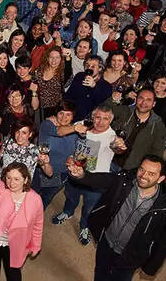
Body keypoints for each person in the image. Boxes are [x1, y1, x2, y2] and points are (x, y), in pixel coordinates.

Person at [66, 155, 166, 281]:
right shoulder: (124, 180)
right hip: (106, 242)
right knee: (99, 273)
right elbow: (102, 180)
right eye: (142, 169)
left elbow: (165, 241)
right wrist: (82, 175)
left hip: (130, 257)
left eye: (151, 174)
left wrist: (151, 268)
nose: (143, 176)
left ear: (160, 179)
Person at [52, 105, 117, 245]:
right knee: (70, 197)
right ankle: (68, 212)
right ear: (92, 117)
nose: (100, 122)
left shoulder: (112, 137)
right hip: (75, 173)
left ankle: (84, 227)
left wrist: (121, 147)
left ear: (110, 120)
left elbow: (119, 149)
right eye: (98, 117)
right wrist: (70, 156)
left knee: (89, 207)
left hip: (95, 180)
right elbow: (64, 135)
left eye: (105, 119)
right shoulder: (82, 125)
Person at [0, 162, 44, 281]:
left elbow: (38, 224)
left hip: (17, 245)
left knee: (14, 275)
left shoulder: (35, 200)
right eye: (9, 178)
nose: (11, 183)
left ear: (25, 179)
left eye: (17, 179)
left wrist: (36, 245)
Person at [33, 101, 81, 208]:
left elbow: (76, 150)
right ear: (56, 113)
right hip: (41, 170)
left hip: (59, 174)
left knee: (44, 200)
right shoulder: (47, 124)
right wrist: (74, 128)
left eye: (68, 114)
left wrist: (72, 157)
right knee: (29, 197)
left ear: (73, 116)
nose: (64, 117)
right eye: (61, 113)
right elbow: (58, 132)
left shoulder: (76, 133)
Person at [106, 89, 166, 171]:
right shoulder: (125, 111)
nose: (143, 103)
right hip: (109, 160)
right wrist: (112, 100)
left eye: (148, 100)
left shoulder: (158, 126)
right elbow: (103, 112)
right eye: (141, 98)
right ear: (136, 99)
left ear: (154, 104)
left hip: (131, 169)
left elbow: (156, 152)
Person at [65, 55, 112, 121]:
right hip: (71, 116)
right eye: (87, 65)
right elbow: (68, 96)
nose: (89, 68)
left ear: (100, 68)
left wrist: (94, 87)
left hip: (89, 120)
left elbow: (101, 106)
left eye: (93, 66)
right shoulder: (79, 76)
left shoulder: (106, 86)